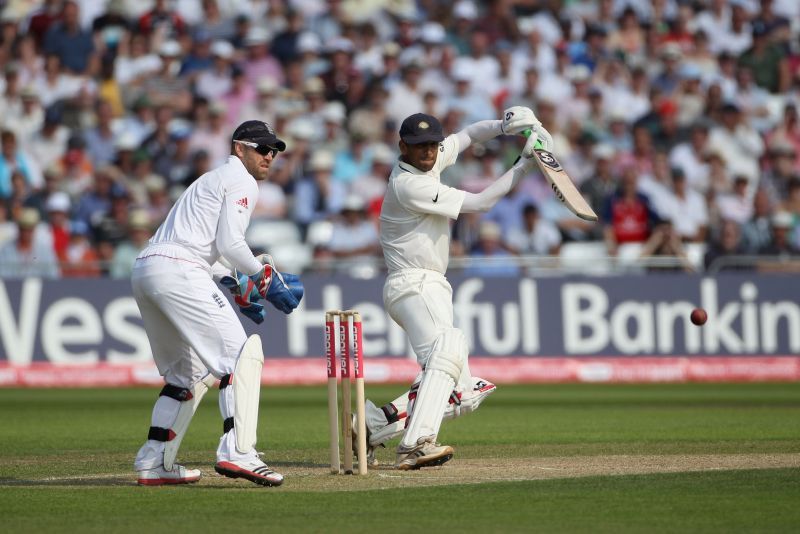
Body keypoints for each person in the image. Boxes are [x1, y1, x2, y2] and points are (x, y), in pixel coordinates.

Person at [363, 107, 551, 470]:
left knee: (464, 393)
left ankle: (371, 425)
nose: (429, 152)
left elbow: (467, 136)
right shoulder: (409, 183)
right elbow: (482, 202)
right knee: (448, 348)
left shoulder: (429, 161)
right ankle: (415, 445)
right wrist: (525, 164)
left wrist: (503, 125)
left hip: (429, 284)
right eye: (419, 147)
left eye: (432, 145)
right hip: (413, 282)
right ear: (402, 146)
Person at [132, 120, 304, 487]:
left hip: (148, 269)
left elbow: (209, 249)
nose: (269, 156)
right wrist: (262, 276)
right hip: (179, 269)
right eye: (261, 149)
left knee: (185, 375)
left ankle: (153, 461)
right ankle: (238, 452)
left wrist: (235, 281)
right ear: (239, 148)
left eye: (273, 150)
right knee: (241, 356)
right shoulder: (241, 179)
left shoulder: (209, 180)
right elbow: (229, 244)